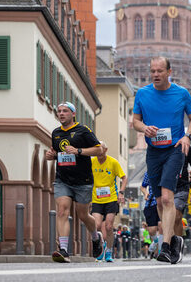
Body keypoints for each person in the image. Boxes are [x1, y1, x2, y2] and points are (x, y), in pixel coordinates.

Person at [132, 57, 191, 264]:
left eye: (160, 71)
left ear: (169, 72)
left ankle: (167, 246)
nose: (155, 75)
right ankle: (174, 240)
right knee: (160, 201)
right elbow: (135, 121)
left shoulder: (181, 93)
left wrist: (188, 136)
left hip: (175, 149)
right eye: (152, 71)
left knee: (168, 198)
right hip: (153, 152)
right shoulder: (142, 94)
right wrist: (145, 129)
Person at [45, 101, 104, 263]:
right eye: (59, 111)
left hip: (82, 180)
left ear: (73, 114)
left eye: (65, 111)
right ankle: (63, 250)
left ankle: (95, 237)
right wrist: (51, 156)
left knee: (83, 214)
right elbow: (57, 152)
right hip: (62, 179)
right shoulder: (56, 133)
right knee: (62, 210)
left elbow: (98, 149)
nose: (61, 114)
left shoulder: (83, 131)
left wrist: (79, 151)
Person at [91, 142, 127, 262]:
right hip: (96, 199)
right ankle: (101, 247)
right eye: (95, 148)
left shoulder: (113, 162)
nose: (97, 150)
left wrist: (121, 192)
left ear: (105, 149)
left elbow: (124, 177)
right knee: (96, 226)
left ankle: (109, 251)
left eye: (99, 147)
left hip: (111, 198)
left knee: (109, 226)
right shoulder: (91, 162)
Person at [174, 148, 191, 244]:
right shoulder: (164, 145)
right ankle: (169, 244)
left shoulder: (186, 147)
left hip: (182, 186)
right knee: (168, 218)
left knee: (177, 216)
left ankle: (177, 245)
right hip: (166, 186)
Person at [141, 171, 161, 259]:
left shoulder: (168, 169)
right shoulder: (149, 172)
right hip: (151, 202)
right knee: (151, 230)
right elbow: (143, 186)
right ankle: (156, 241)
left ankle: (162, 252)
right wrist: (145, 193)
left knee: (162, 226)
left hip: (164, 203)